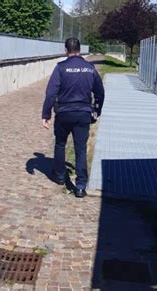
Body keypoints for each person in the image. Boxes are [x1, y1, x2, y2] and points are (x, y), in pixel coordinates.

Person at [41, 37, 105, 198]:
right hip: (83, 113)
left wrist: (46, 114)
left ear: (65, 50)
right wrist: (97, 110)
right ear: (80, 49)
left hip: (63, 113)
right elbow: (100, 92)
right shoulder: (90, 68)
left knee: (61, 144)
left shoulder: (61, 68)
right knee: (81, 149)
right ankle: (81, 185)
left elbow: (50, 93)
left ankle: (60, 176)